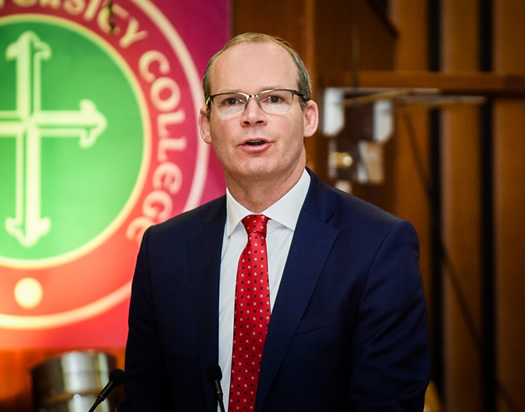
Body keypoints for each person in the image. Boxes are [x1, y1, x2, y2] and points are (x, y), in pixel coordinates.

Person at [118, 32, 430, 412]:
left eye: (274, 99)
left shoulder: (378, 245)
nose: (253, 116)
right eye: (232, 101)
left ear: (308, 118)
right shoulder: (163, 250)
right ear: (206, 123)